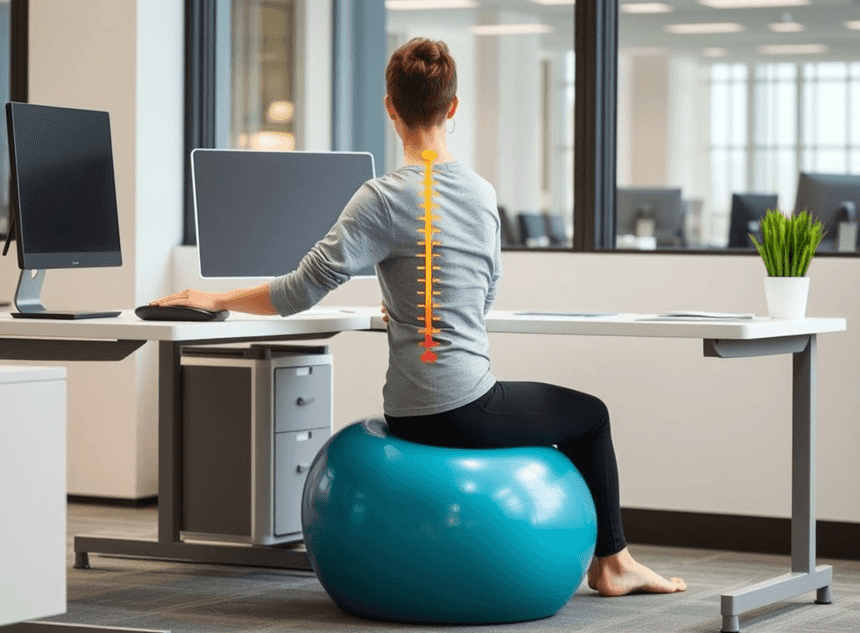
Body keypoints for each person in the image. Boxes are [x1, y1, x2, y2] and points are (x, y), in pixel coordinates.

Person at [152, 37, 686, 598]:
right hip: (463, 406)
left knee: (582, 412)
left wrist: (213, 298)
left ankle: (615, 565)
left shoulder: (381, 197)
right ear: (452, 107)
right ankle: (614, 562)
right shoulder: (481, 194)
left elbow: (300, 289)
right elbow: (482, 297)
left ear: (390, 106)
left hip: (415, 411)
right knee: (592, 415)